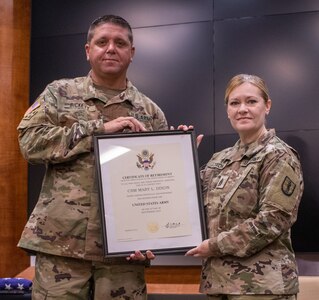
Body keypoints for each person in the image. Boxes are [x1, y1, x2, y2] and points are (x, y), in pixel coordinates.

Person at [17, 15, 169, 300]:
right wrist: (97, 130)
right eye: (102, 42)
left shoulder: (150, 112)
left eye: (120, 43)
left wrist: (156, 239)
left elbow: (158, 186)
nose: (111, 48)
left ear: (131, 53)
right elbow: (29, 142)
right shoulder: (59, 94)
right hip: (62, 247)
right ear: (88, 50)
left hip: (124, 255)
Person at [186, 74, 304, 300]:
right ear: (227, 110)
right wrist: (180, 156)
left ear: (266, 106)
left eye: (251, 101)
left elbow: (272, 221)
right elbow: (187, 201)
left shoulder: (279, 156)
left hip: (261, 288)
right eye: (235, 103)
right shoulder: (219, 160)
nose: (242, 109)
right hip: (219, 283)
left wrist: (215, 245)